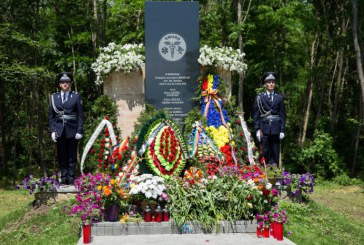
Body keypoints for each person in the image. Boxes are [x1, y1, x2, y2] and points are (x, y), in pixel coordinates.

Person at [49, 72, 84, 185]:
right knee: (62, 154)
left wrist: (79, 130)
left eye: (67, 82)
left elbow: (80, 115)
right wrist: (53, 131)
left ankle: (71, 177)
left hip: (73, 130)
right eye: (63, 82)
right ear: (59, 84)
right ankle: (64, 177)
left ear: (70, 84)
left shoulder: (76, 96)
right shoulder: (54, 97)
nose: (65, 84)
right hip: (59, 130)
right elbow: (51, 116)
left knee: (72, 155)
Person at [253, 72, 286, 165]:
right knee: (265, 153)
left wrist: (282, 130)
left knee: (276, 154)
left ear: (275, 84)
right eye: (268, 82)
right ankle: (265, 174)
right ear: (265, 84)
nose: (271, 84)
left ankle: (276, 176)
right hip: (264, 129)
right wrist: (257, 130)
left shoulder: (279, 98)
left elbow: (282, 115)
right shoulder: (260, 98)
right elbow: (256, 116)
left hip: (276, 129)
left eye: (273, 82)